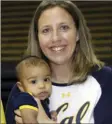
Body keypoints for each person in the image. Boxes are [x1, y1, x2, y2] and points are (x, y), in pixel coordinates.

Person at [6, 0, 112, 124]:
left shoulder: (105, 79)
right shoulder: (24, 86)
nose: (55, 38)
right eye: (46, 30)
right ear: (37, 38)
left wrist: (45, 121)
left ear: (77, 33)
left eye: (64, 28)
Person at [6, 56, 57, 124]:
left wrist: (49, 115)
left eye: (46, 79)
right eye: (33, 82)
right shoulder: (25, 98)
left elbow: (39, 117)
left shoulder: (40, 99)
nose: (42, 86)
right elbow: (30, 121)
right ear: (21, 87)